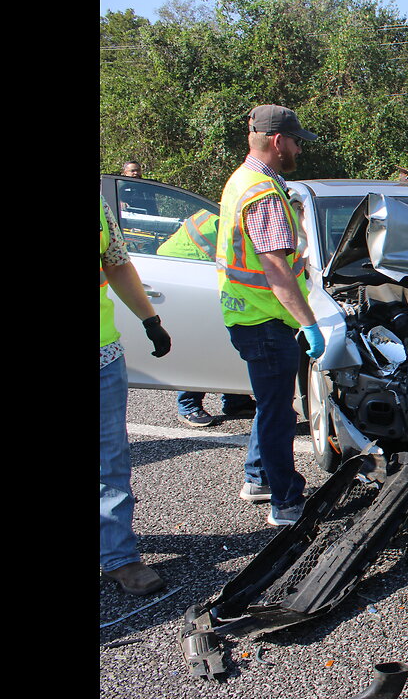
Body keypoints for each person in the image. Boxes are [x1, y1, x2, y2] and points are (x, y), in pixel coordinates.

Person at [215, 104, 324, 526]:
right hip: (266, 319)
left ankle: (258, 477)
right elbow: (276, 268)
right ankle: (285, 501)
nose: (299, 148)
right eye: (296, 141)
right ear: (278, 142)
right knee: (280, 412)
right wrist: (310, 323)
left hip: (248, 314)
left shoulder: (242, 180)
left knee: (270, 403)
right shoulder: (262, 193)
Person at [101, 193, 173, 595]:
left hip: (102, 355)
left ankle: (119, 557)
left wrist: (150, 319)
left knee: (110, 460)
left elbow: (116, 263)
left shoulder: (98, 203)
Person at [157, 208, 257, 426]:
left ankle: (235, 399)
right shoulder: (224, 224)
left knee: (227, 340)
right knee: (202, 342)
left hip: (196, 273)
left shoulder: (218, 216)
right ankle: (189, 404)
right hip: (186, 276)